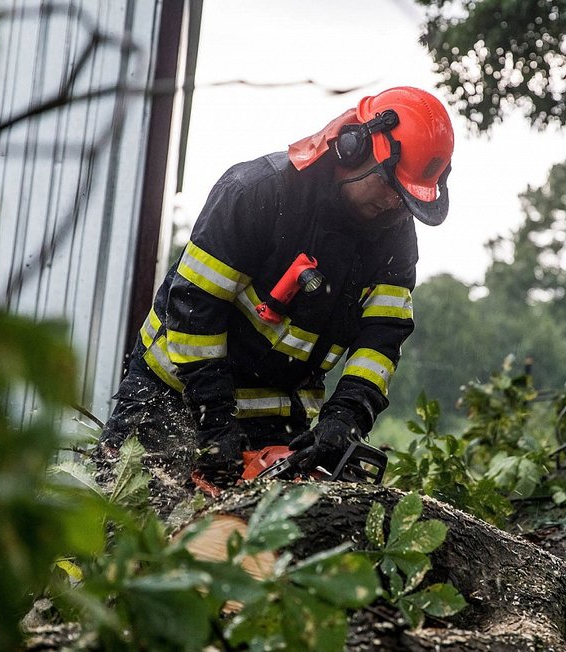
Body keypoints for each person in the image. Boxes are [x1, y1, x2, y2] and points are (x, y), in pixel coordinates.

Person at [98, 86, 455, 485]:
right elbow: (195, 308)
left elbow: (383, 338)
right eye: (391, 185)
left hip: (280, 421)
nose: (394, 204)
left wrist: (346, 415)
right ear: (355, 147)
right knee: (117, 523)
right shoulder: (257, 192)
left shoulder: (395, 236)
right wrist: (213, 422)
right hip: (173, 396)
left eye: (406, 197)